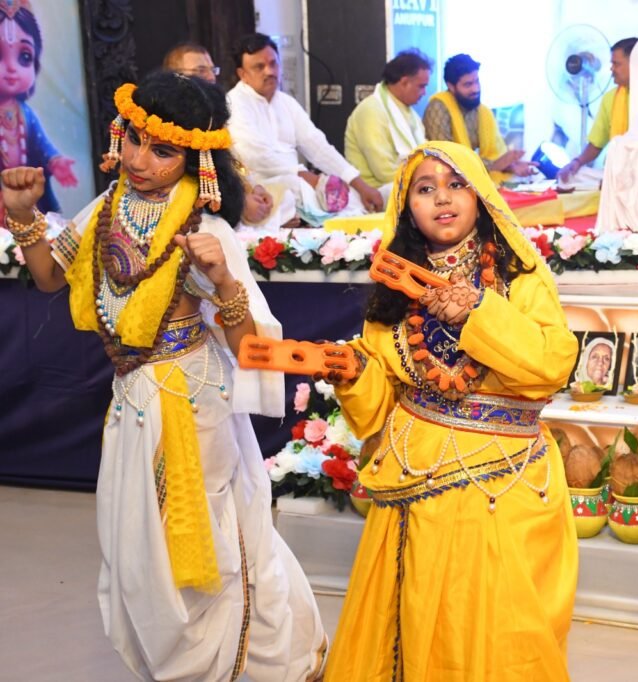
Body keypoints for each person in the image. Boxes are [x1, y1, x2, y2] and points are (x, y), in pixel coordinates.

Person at [1, 71, 327, 680]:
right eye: (134, 140)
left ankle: (233, 664)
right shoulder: (109, 207)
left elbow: (255, 349)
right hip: (131, 397)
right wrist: (24, 217)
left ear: (197, 159)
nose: (139, 160)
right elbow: (49, 277)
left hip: (194, 403)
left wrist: (223, 283)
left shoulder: (206, 231)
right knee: (136, 545)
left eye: (162, 150)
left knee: (204, 541)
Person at [317, 141, 579, 681]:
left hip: (501, 483)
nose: (442, 198)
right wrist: (354, 373)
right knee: (411, 619)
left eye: (456, 184)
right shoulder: (394, 291)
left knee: (500, 632)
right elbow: (378, 404)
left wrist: (478, 313)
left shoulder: (520, 278)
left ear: (479, 196)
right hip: (416, 479)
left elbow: (552, 365)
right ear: (406, 206)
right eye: (425, 188)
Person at [227, 32, 384, 229]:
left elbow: (317, 146)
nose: (270, 71)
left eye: (273, 64)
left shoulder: (286, 103)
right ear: (242, 74)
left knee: (353, 198)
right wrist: (309, 178)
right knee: (298, 192)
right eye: (259, 67)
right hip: (259, 186)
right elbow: (255, 156)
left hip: (298, 181)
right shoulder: (234, 103)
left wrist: (359, 184)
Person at [164, 41, 276, 228]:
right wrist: (240, 202)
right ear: (176, 77)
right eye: (200, 71)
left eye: (212, 70)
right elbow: (193, 178)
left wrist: (251, 188)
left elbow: (231, 163)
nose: (210, 77)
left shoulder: (212, 117)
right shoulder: (168, 122)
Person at [0, 1, 77, 215]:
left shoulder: (26, 115)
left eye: (24, 57)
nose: (12, 68)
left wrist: (55, 161)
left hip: (26, 201)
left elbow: (43, 146)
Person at [423, 53, 535, 182]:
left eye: (476, 81)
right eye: (468, 84)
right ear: (451, 86)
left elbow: (494, 156)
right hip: (444, 182)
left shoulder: (480, 111)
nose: (475, 89)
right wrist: (493, 165)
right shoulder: (438, 107)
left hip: (472, 181)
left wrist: (510, 166)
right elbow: (445, 158)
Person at [344, 49, 431, 198]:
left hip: (405, 184)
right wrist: (426, 181)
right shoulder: (370, 110)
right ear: (404, 82)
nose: (424, 93)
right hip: (375, 193)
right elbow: (383, 171)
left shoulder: (409, 112)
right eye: (421, 86)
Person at [556, 37, 637, 185]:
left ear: (635, 64)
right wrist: (576, 162)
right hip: (614, 171)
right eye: (611, 64)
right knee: (571, 176)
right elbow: (596, 143)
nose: (612, 69)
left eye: (616, 64)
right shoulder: (610, 98)